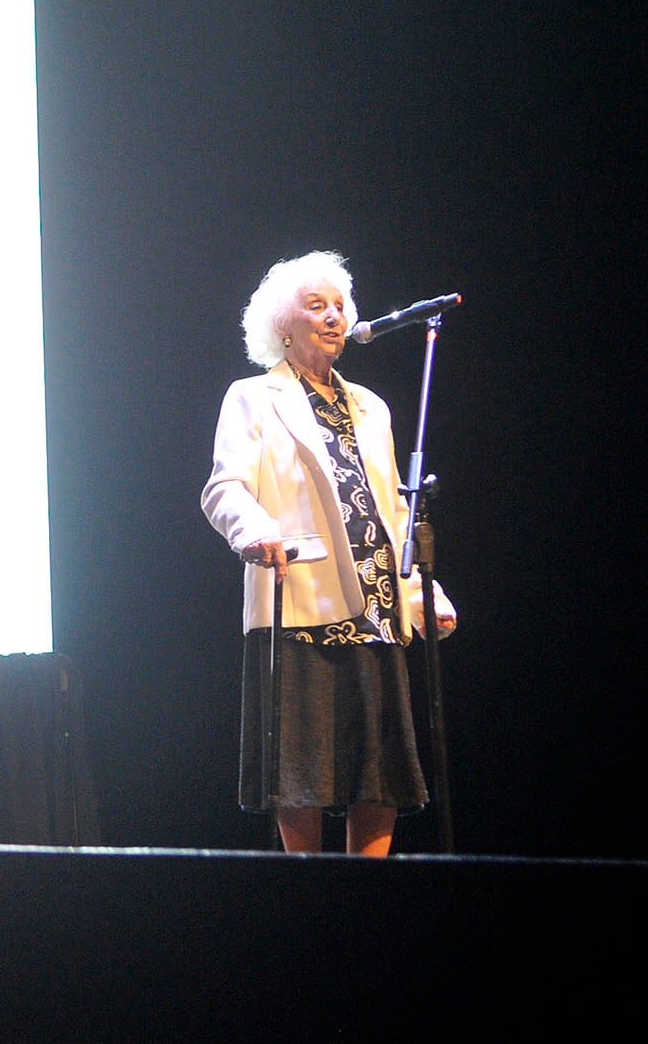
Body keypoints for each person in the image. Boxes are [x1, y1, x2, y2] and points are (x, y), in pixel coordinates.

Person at [201, 251, 452, 855]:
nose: (334, 317)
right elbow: (224, 488)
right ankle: (308, 896)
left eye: (340, 306)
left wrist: (423, 593)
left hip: (378, 607)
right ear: (282, 325)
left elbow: (391, 512)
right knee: (302, 774)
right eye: (317, 306)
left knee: (379, 775)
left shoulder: (371, 406)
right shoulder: (253, 397)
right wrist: (253, 531)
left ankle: (367, 900)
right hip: (300, 600)